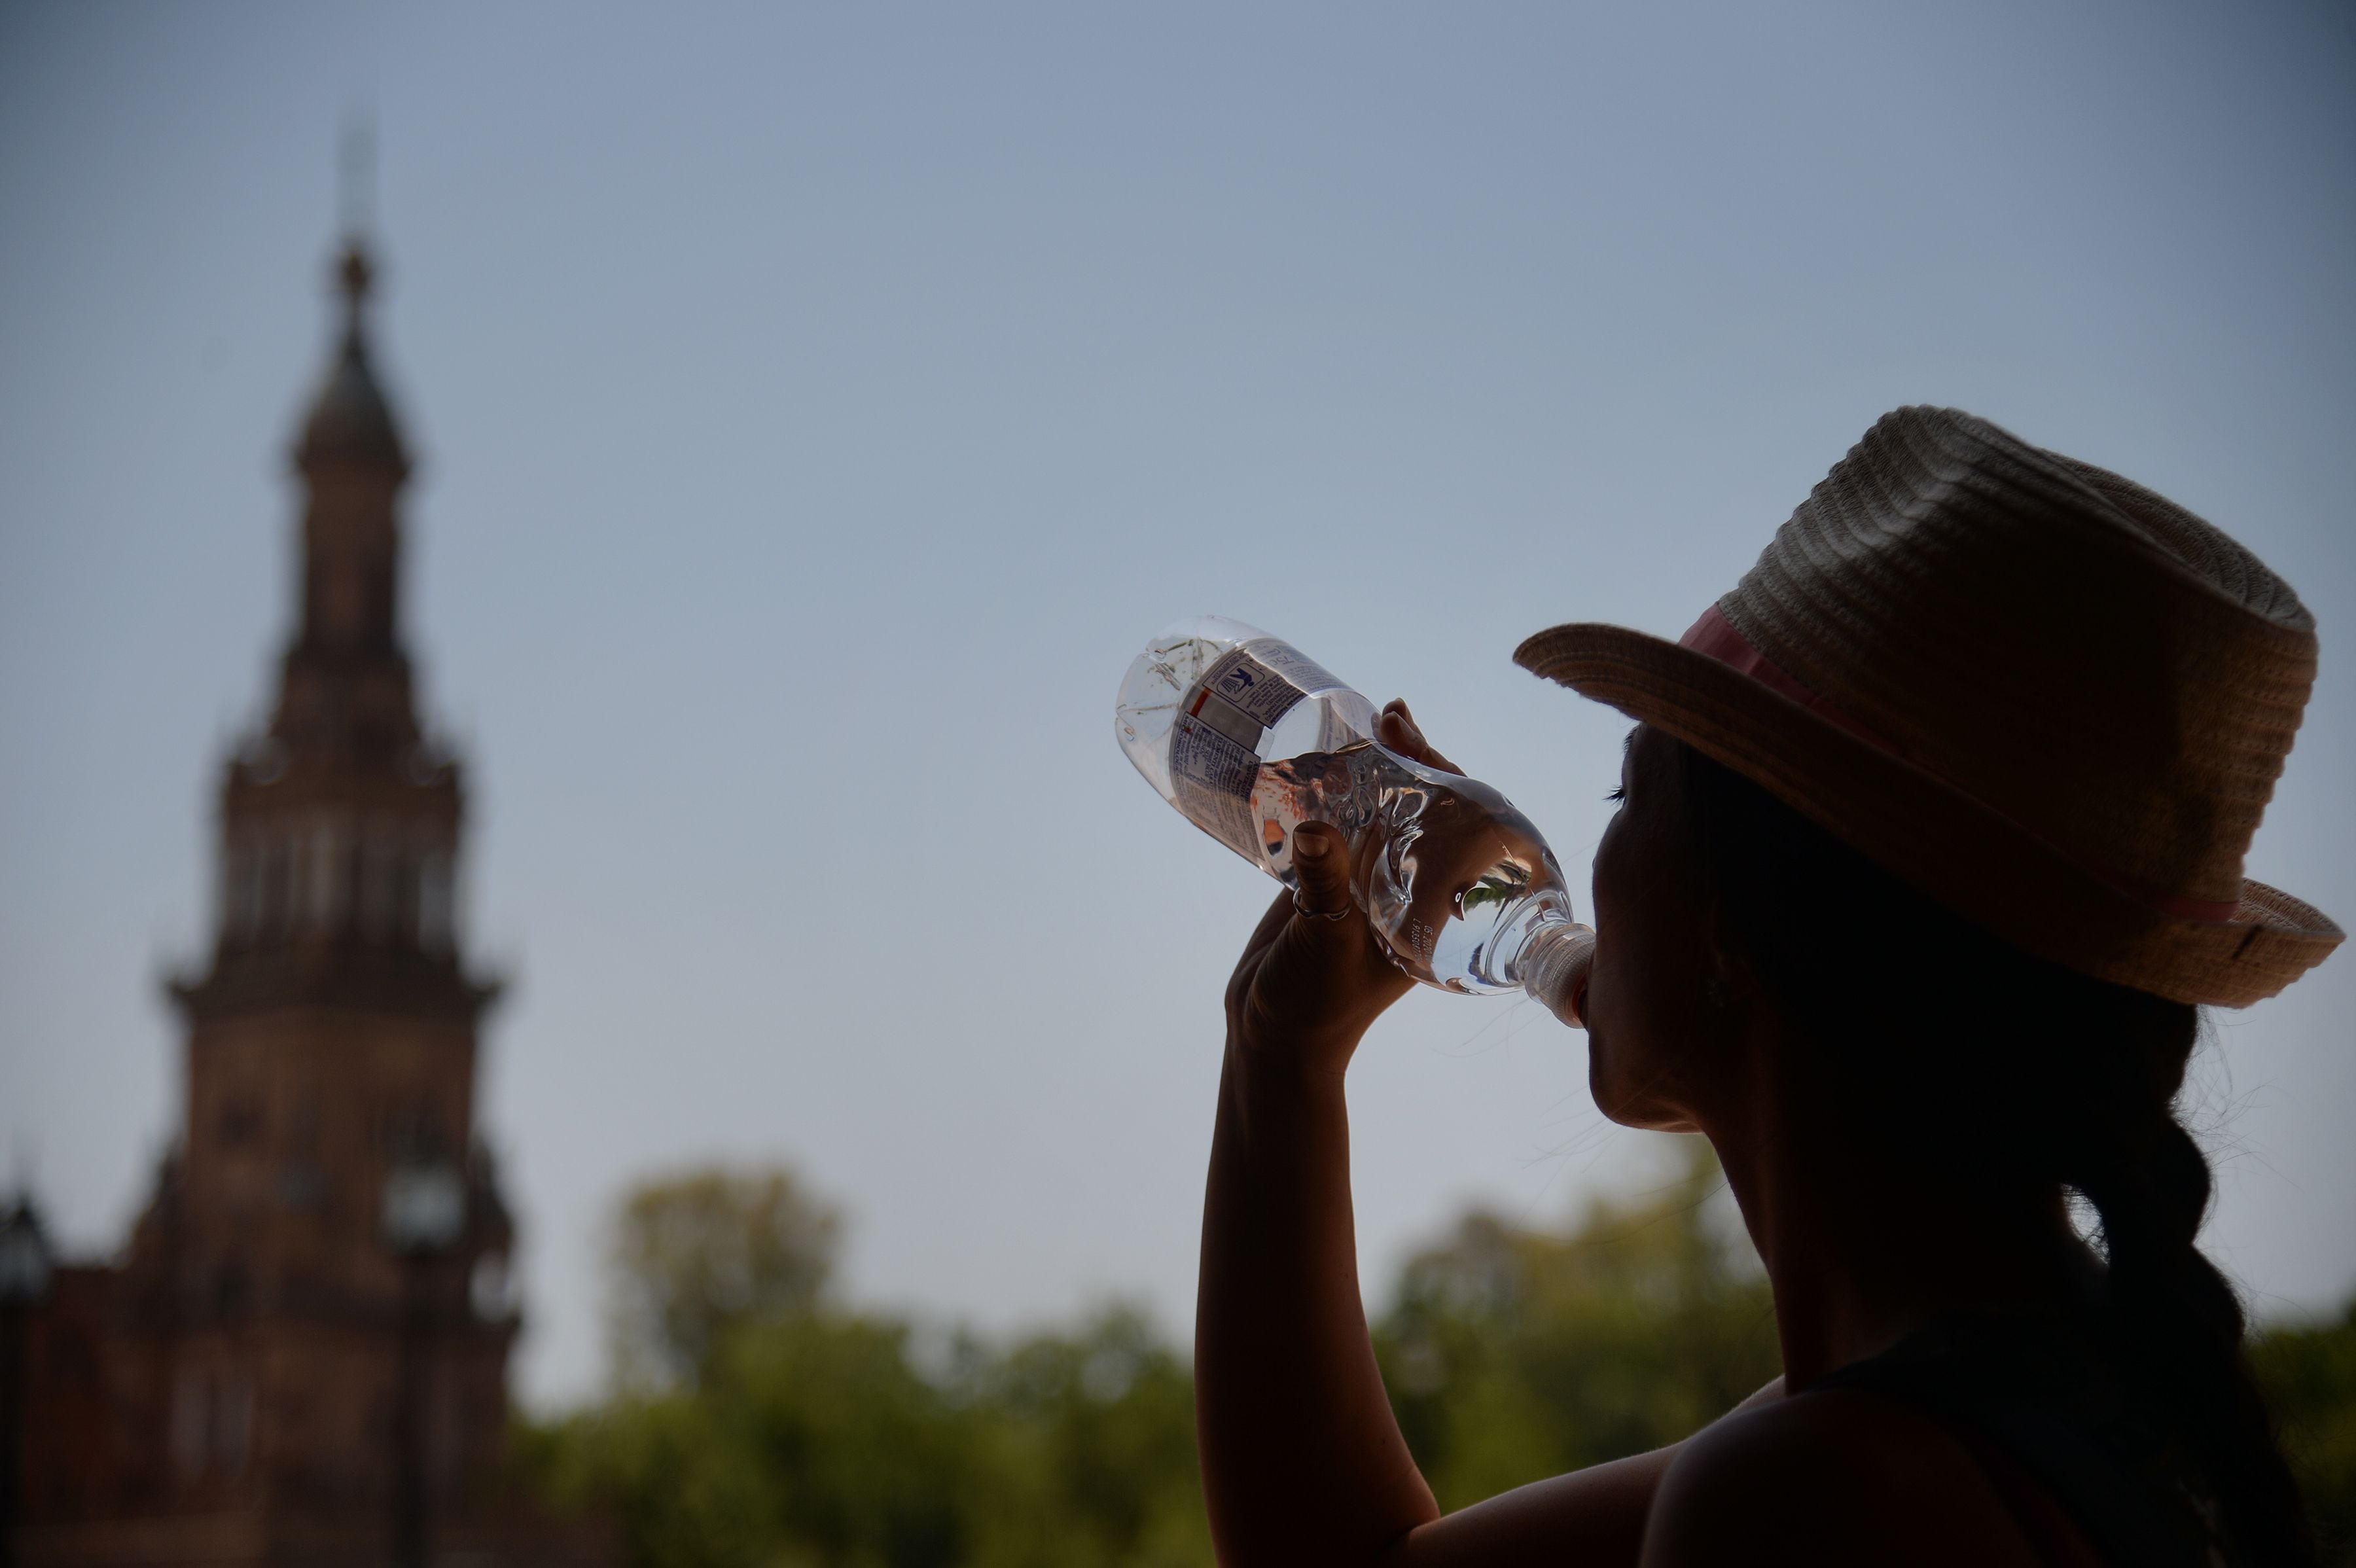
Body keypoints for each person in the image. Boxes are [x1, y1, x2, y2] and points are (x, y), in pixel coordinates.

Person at [1193, 407, 2339, 1567]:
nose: (1583, 866)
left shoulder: (1816, 1495)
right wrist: (1280, 1048)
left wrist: (1276, 1054)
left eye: (1625, 797)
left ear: (1732, 927)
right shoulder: (2079, 1393)